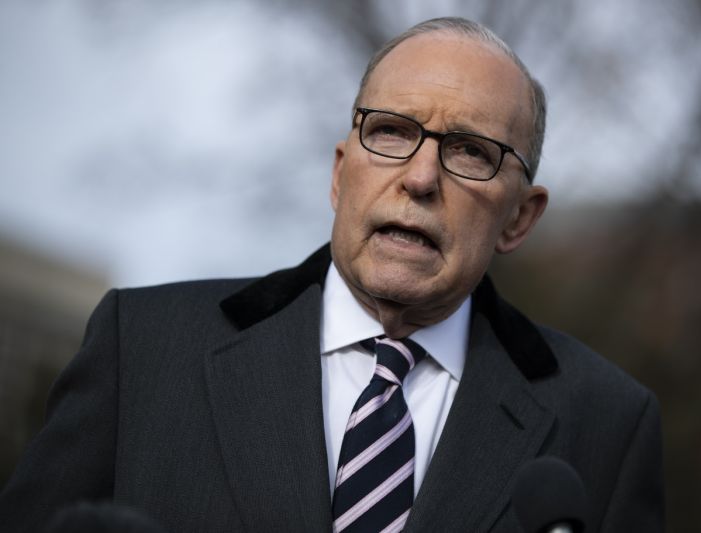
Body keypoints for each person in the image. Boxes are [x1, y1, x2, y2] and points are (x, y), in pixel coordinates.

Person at [0, 17, 664, 533]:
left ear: (520, 217)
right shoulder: (142, 348)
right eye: (392, 131)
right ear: (341, 172)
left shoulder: (605, 422)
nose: (421, 177)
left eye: (469, 151)